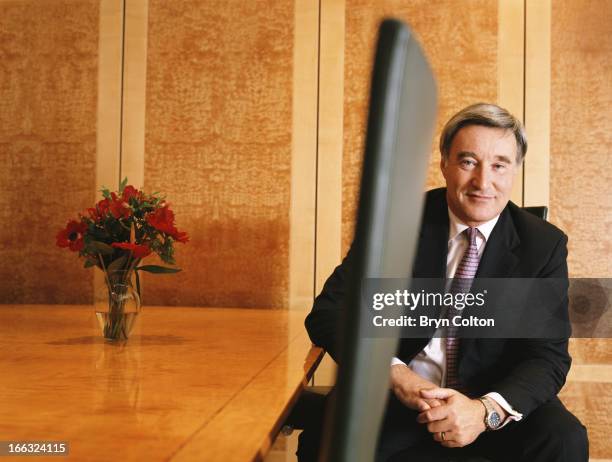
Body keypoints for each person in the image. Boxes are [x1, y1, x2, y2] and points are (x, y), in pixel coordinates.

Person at [300, 103, 588, 461]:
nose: (483, 182)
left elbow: (547, 356)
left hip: (490, 398)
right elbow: (330, 311)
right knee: (330, 439)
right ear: (445, 164)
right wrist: (395, 373)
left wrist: (484, 412)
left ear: (515, 170)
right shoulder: (393, 226)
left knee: (564, 440)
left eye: (499, 165)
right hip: (397, 398)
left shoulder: (543, 245)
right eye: (468, 162)